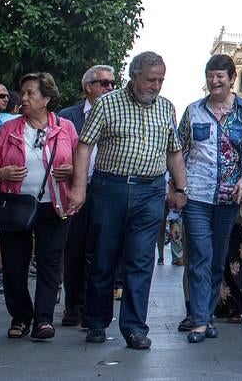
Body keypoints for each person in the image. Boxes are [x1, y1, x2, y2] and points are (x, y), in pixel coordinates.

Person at [66, 52, 188, 350]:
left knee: (141, 261)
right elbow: (84, 147)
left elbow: (173, 151)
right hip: (111, 189)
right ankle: (96, 321)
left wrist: (181, 189)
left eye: (160, 80)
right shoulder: (107, 104)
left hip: (150, 192)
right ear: (133, 77)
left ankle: (134, 327)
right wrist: (79, 189)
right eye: (150, 80)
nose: (156, 86)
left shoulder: (166, 108)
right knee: (104, 257)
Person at [0, 73, 77, 340]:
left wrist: (70, 171)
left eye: (30, 93)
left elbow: (80, 164)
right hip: (16, 205)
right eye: (22, 93)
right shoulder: (8, 129)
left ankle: (44, 320)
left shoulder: (65, 128)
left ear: (46, 98)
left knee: (50, 264)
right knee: (14, 265)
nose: (23, 98)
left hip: (54, 205)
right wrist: (1, 173)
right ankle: (21, 316)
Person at [176, 55, 242, 343]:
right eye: (210, 75)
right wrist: (176, 189)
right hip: (196, 195)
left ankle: (207, 314)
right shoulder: (193, 111)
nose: (214, 80)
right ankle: (199, 320)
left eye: (220, 75)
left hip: (228, 197)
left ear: (232, 78)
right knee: (200, 254)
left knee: (216, 258)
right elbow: (179, 150)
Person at [56, 65, 115, 325]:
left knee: (101, 250)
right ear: (88, 86)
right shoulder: (68, 116)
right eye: (103, 83)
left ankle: (93, 307)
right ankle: (73, 306)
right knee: (75, 249)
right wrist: (68, 167)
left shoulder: (116, 114)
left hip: (105, 190)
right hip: (75, 189)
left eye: (112, 83)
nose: (109, 88)